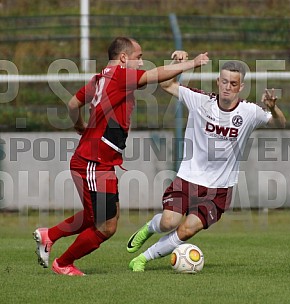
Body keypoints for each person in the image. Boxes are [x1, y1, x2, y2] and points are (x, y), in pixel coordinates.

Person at [33, 38, 209, 276]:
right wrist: (193, 64)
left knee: (101, 216)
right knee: (105, 226)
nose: (140, 63)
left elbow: (73, 103)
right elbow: (154, 75)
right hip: (93, 163)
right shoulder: (120, 75)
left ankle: (49, 235)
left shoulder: (99, 78)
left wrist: (79, 124)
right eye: (138, 57)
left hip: (98, 161)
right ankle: (63, 263)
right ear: (124, 58)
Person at [127, 52, 286, 272]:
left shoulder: (249, 112)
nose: (227, 87)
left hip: (219, 189)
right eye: (224, 81)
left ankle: (142, 259)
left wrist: (273, 107)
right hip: (188, 179)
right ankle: (149, 228)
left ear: (241, 87)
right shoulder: (200, 100)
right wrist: (177, 64)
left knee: (187, 230)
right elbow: (166, 85)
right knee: (168, 223)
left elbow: (281, 123)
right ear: (217, 82)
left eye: (233, 83)